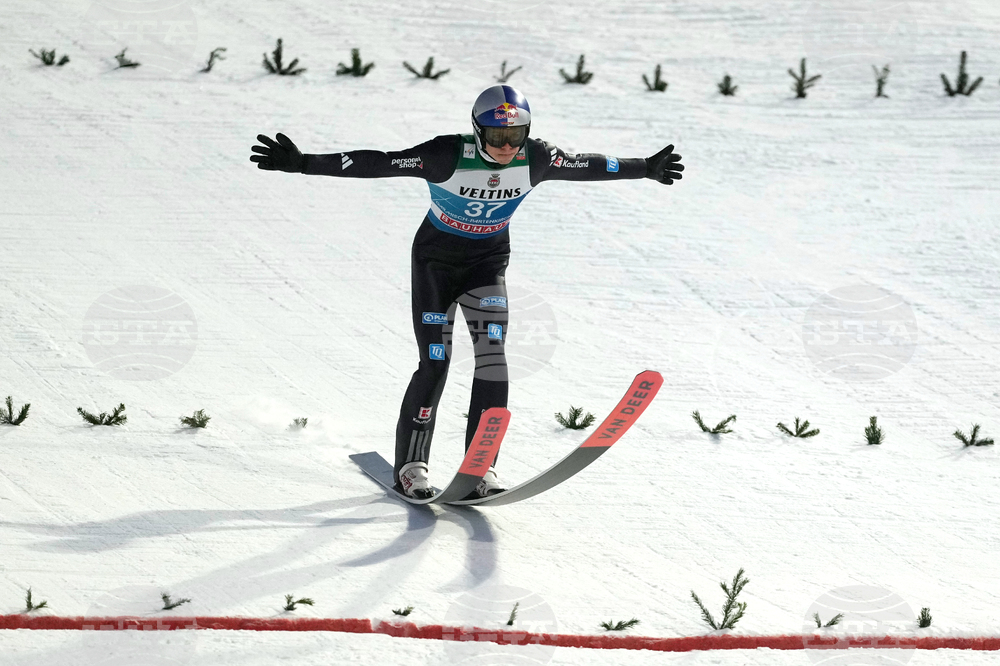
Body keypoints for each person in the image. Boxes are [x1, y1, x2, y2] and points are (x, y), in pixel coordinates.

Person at [251, 84, 683, 500]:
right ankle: (411, 467)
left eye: (514, 135)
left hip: (486, 266)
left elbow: (587, 164)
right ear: (477, 130)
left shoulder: (535, 158)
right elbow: (380, 162)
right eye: (496, 135)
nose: (505, 145)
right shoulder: (445, 154)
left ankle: (482, 467)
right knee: (435, 363)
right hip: (435, 266)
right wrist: (304, 162)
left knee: (493, 357)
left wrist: (645, 167)